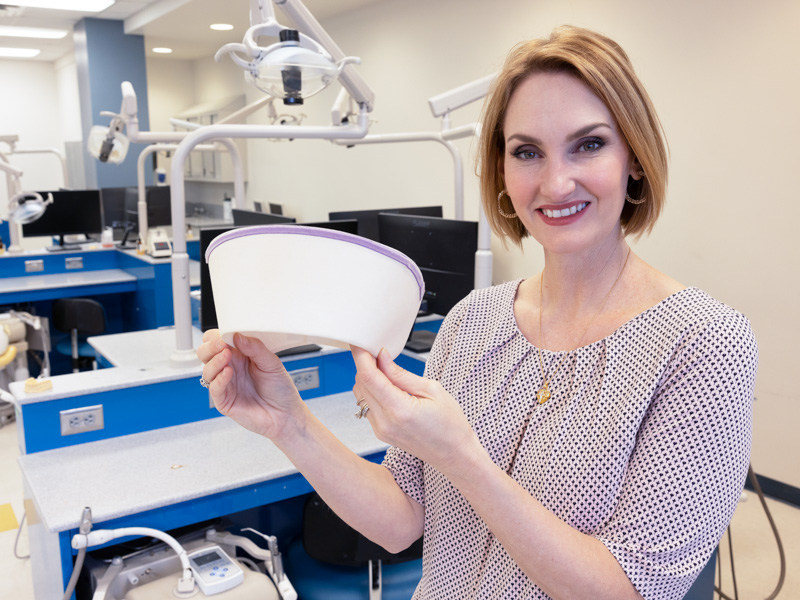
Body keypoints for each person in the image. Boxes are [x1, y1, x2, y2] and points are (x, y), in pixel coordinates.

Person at [197, 25, 757, 600]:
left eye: (589, 144)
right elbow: (401, 520)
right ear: (503, 171)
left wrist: (461, 458)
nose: (555, 181)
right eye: (527, 152)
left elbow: (628, 591)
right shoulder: (475, 321)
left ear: (634, 158)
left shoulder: (703, 344)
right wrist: (288, 423)